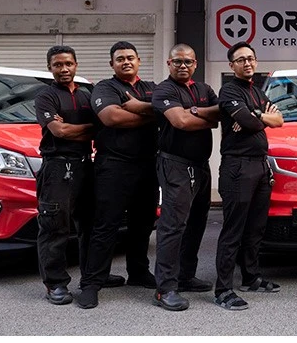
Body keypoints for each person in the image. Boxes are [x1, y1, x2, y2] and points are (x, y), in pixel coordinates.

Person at [34, 46, 124, 305]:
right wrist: (92, 128)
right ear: (50, 67)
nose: (64, 69)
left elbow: (103, 127)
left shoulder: (88, 95)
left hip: (86, 166)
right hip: (57, 168)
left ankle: (94, 276)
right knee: (55, 227)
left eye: (68, 64)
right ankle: (55, 284)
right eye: (58, 65)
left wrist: (78, 128)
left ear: (76, 65)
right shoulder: (46, 97)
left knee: (91, 226)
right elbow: (59, 132)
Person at [75, 41, 159, 309]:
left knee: (143, 224)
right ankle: (91, 283)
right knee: (105, 226)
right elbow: (112, 118)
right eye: (120, 58)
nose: (126, 62)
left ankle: (138, 272)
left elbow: (170, 111)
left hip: (147, 166)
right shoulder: (105, 88)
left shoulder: (151, 88)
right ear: (112, 64)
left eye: (131, 57)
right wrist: (152, 114)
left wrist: (138, 107)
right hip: (114, 166)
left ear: (139, 61)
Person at [213, 41, 284, 311]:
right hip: (237, 167)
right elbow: (256, 122)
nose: (247, 63)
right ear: (232, 66)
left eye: (251, 58)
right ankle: (223, 289)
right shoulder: (229, 90)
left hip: (260, 166)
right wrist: (259, 117)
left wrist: (255, 115)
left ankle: (250, 277)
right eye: (241, 60)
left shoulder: (257, 91)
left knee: (255, 228)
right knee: (234, 230)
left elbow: (279, 120)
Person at [150, 44, 220, 311]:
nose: (183, 66)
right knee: (172, 226)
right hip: (174, 165)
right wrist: (200, 115)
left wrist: (193, 113)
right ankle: (165, 288)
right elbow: (179, 122)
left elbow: (218, 116)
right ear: (169, 63)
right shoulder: (164, 90)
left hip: (200, 165)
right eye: (177, 61)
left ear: (195, 64)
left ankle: (185, 276)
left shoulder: (204, 89)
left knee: (196, 223)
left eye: (188, 62)